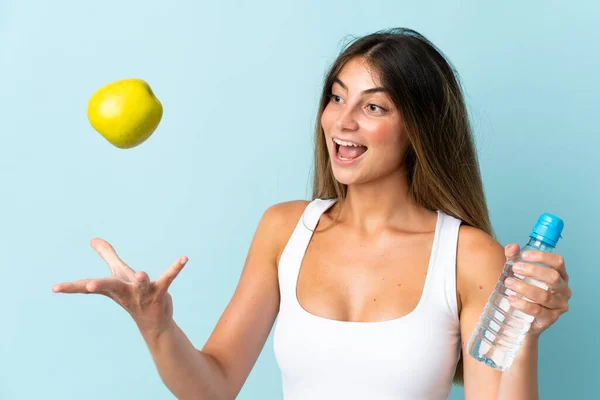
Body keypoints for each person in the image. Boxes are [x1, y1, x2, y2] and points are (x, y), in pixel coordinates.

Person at [52, 28, 572, 400]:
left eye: (373, 107)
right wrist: (157, 327)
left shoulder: (467, 254)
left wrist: (522, 333)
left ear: (418, 128)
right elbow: (212, 387)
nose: (341, 122)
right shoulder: (284, 229)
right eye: (336, 98)